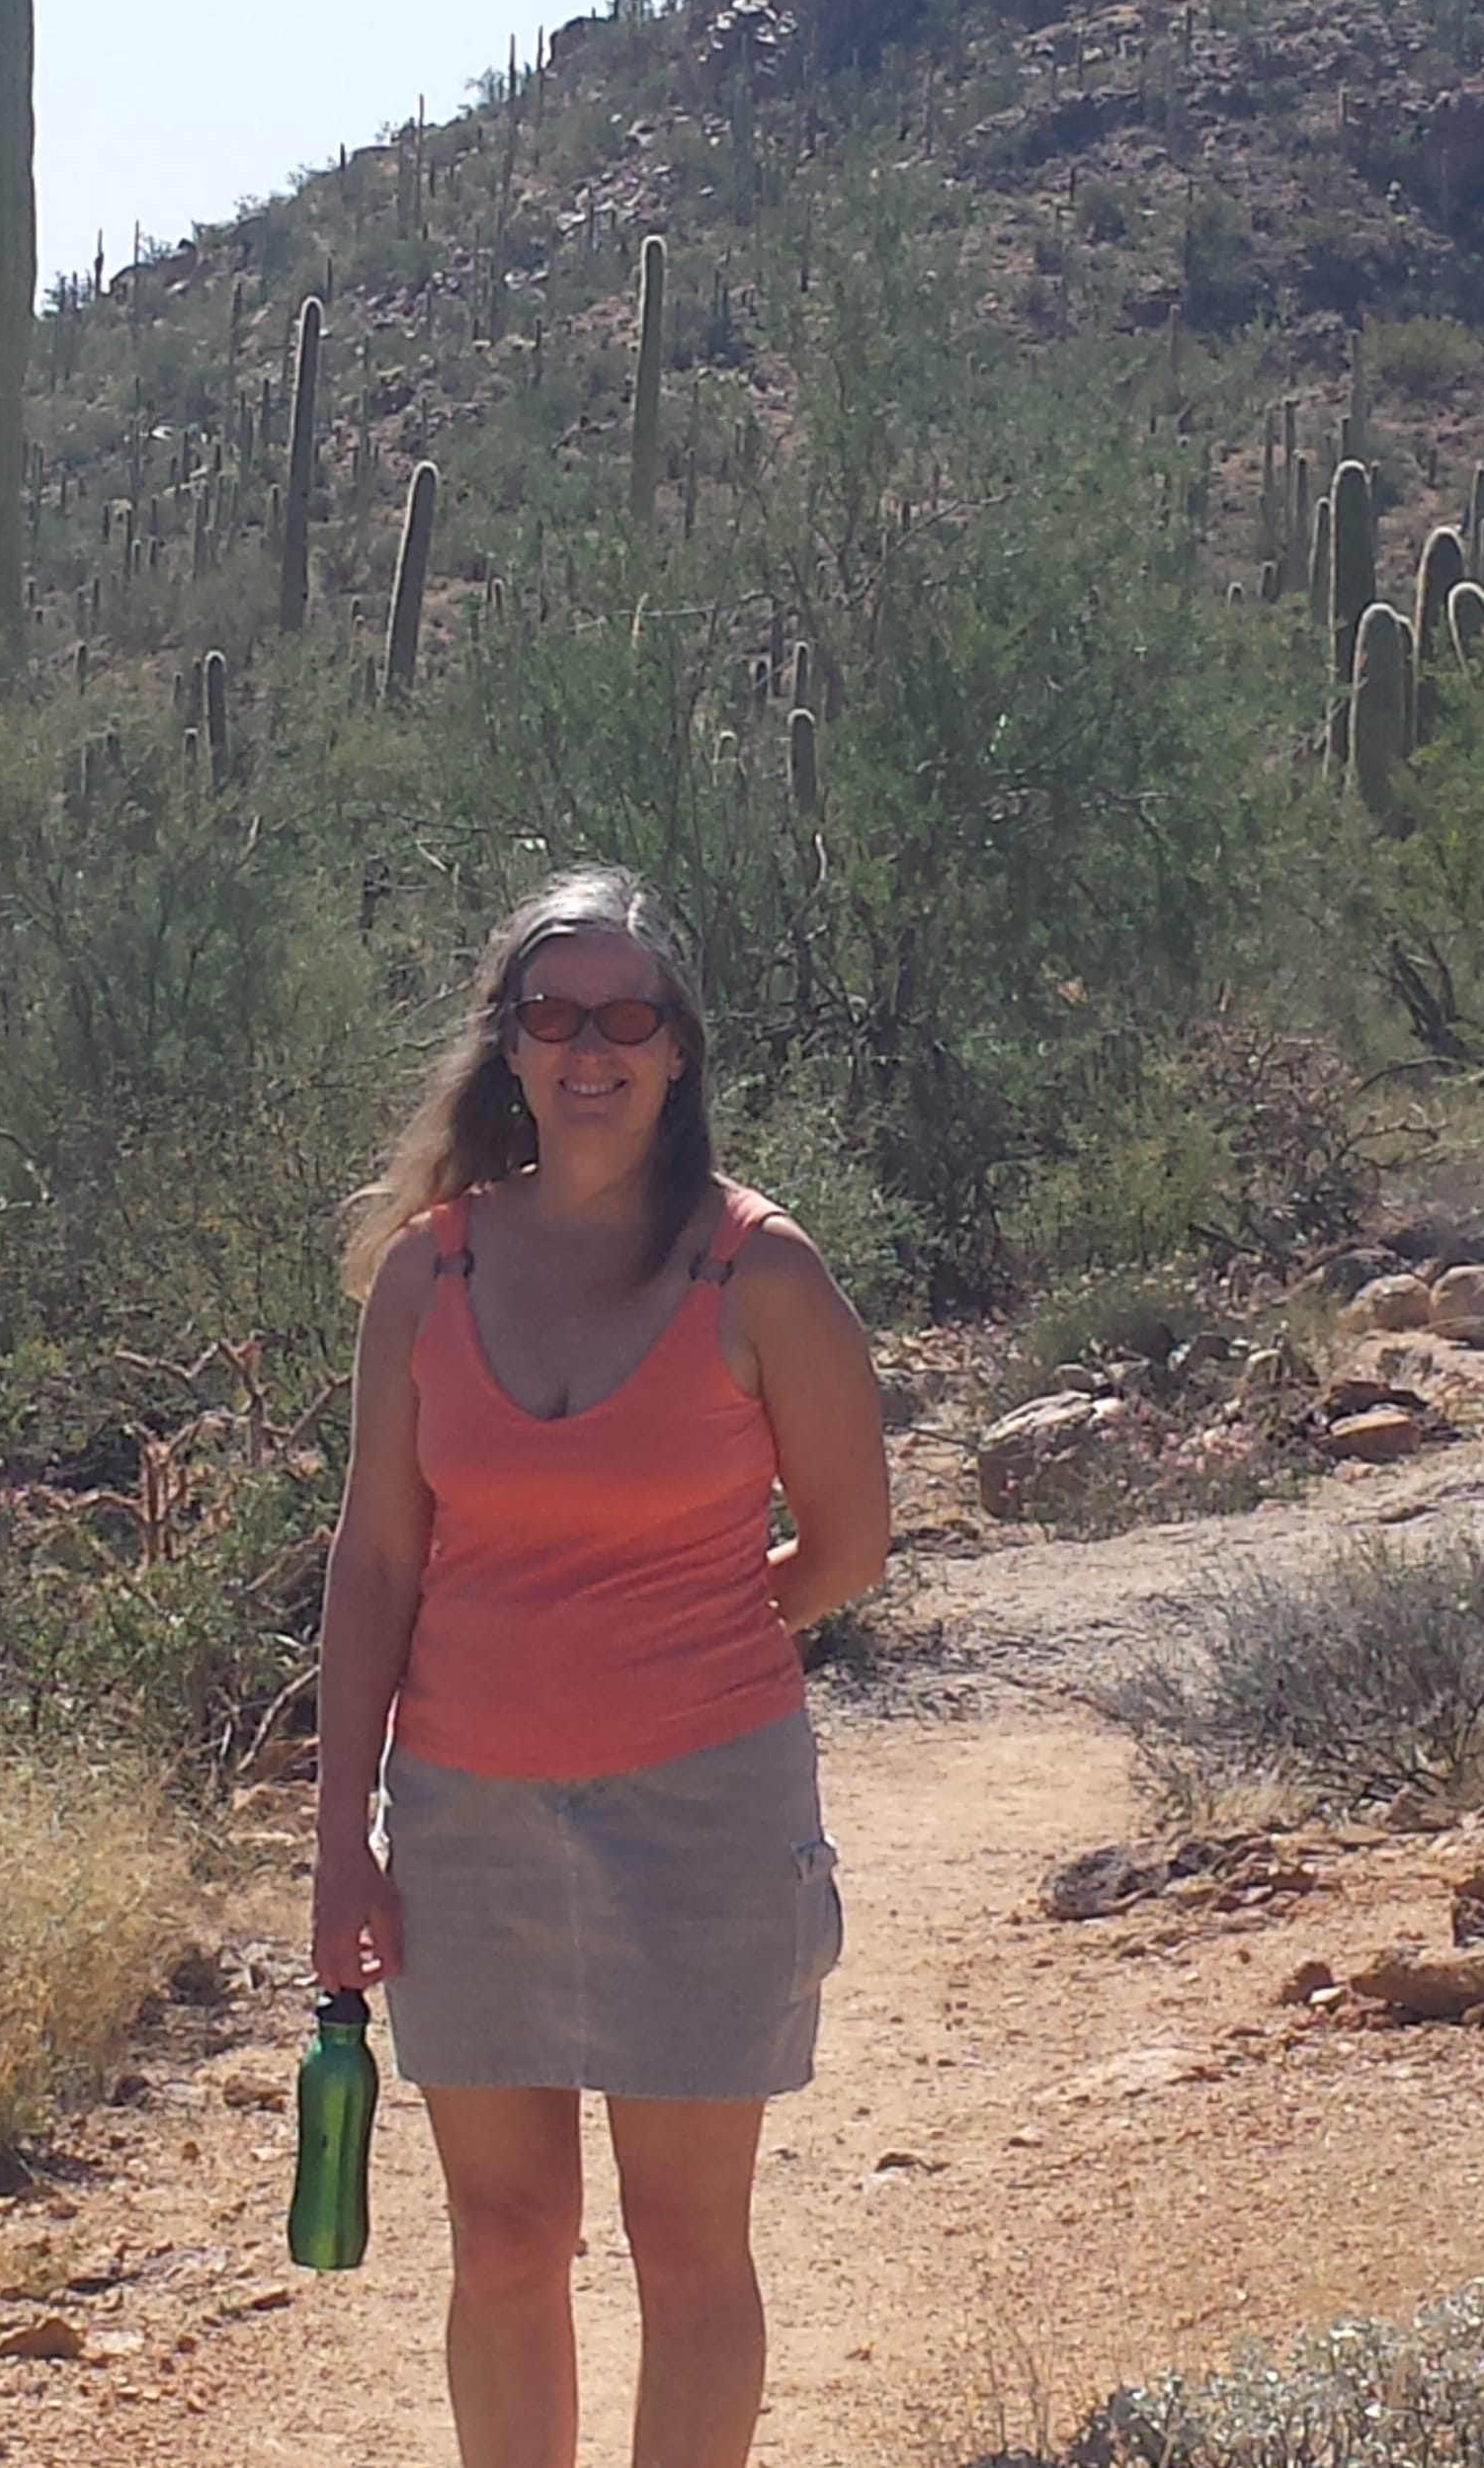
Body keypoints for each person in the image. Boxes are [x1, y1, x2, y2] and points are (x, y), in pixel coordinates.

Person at [312, 864, 891, 2468]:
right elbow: (375, 1565)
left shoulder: (758, 1273)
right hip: (464, 1816)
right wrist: (337, 1842)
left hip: (705, 1810)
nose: (590, 1048)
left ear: (679, 1050)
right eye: (553, 1015)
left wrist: (679, 1636)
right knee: (504, 2241)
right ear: (505, 1045)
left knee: (685, 2247)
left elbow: (847, 1547)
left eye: (626, 1017)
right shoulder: (431, 1272)